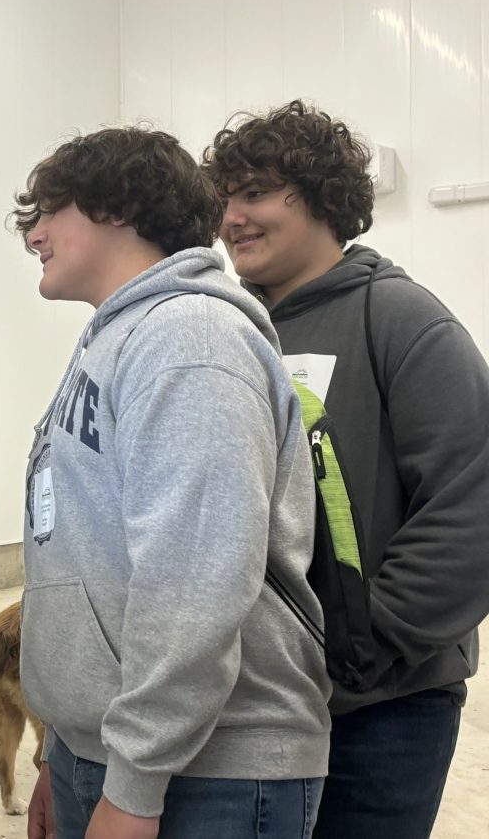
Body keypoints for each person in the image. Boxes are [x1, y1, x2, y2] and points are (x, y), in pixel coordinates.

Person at [15, 127, 331, 839]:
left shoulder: (190, 338)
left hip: (205, 774)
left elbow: (194, 581)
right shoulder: (122, 333)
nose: (32, 232)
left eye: (48, 209)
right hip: (115, 752)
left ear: (118, 205)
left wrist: (132, 784)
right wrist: (63, 748)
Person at [203, 99, 489, 839]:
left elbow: (470, 499)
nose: (233, 217)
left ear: (324, 197)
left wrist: (366, 645)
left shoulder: (398, 319)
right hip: (257, 702)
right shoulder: (231, 329)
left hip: (383, 708)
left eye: (256, 193)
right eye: (225, 198)